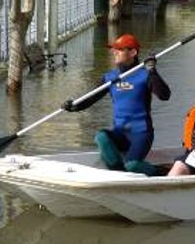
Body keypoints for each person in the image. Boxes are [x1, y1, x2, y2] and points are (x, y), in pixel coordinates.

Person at [62, 33, 171, 176]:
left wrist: (153, 71)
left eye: (119, 49)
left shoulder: (145, 74)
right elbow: (91, 98)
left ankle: (160, 172)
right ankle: (119, 172)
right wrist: (74, 106)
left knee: (132, 166)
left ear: (133, 52)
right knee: (101, 136)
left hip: (141, 134)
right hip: (120, 133)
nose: (114, 52)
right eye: (114, 49)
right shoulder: (110, 77)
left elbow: (165, 96)